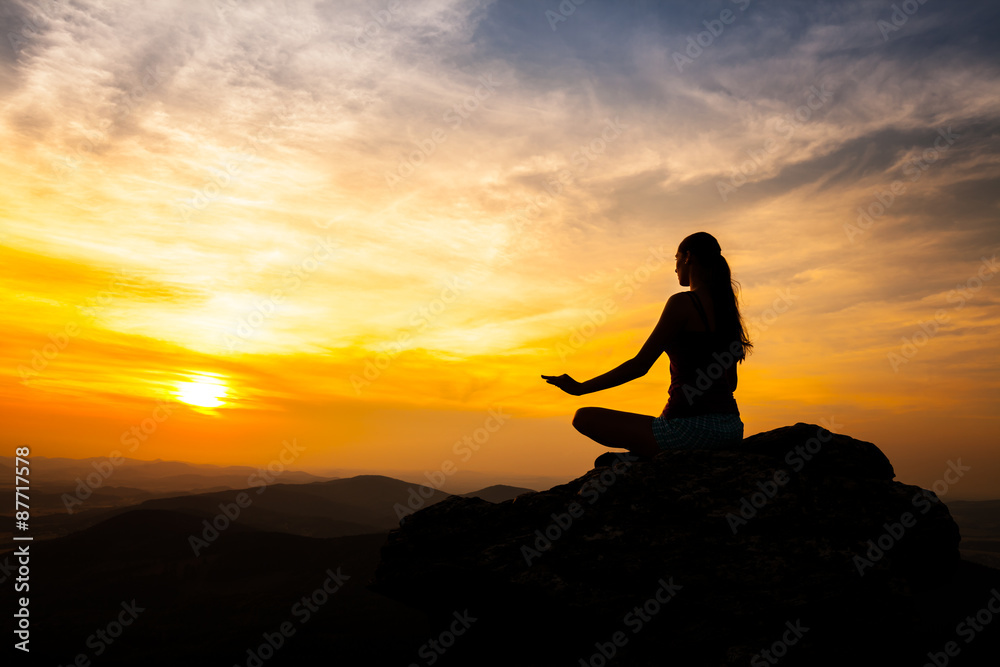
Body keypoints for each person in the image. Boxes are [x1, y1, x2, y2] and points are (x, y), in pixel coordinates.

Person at [541, 232, 752, 463]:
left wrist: (580, 388)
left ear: (688, 257)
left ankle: (645, 458)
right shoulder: (726, 311)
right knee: (653, 427)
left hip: (690, 430)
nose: (675, 267)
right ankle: (642, 456)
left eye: (676, 258)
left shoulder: (682, 303)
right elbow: (731, 383)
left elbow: (640, 366)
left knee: (582, 417)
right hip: (731, 428)